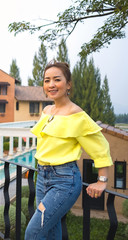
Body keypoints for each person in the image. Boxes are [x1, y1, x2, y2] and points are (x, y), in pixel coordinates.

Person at [25, 61, 113, 240]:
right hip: (42, 177)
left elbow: (100, 146)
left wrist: (102, 180)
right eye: (47, 80)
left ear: (68, 84)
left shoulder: (76, 114)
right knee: (50, 230)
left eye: (57, 79)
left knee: (33, 233)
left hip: (64, 181)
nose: (51, 85)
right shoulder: (47, 111)